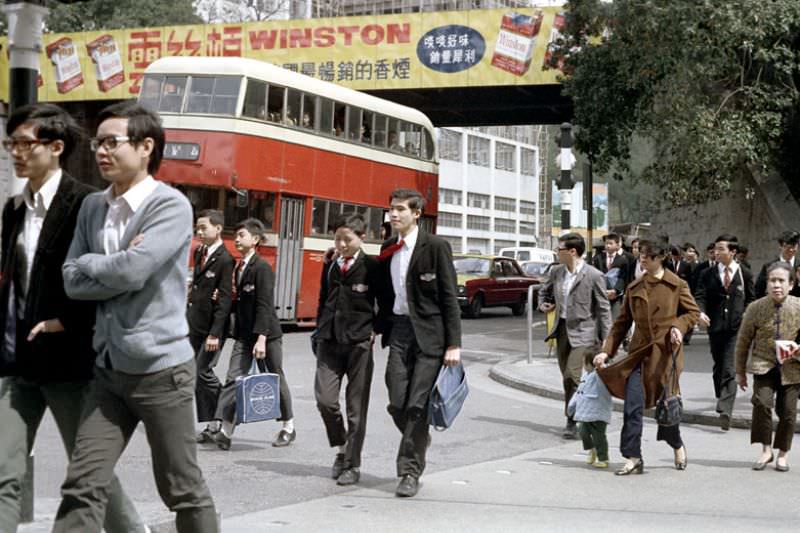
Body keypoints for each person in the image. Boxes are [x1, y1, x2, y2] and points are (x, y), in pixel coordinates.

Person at [56, 102, 217, 532]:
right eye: (98, 143)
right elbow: (71, 280)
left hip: (161, 372)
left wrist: (99, 264)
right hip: (108, 371)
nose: (101, 152)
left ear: (147, 147)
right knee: (82, 483)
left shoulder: (171, 206)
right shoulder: (93, 207)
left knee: (181, 489)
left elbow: (132, 271)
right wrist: (110, 264)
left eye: (112, 142)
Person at [0, 104, 146, 533]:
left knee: (88, 471)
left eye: (26, 143)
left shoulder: (86, 203)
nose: (16, 153)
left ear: (56, 147)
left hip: (70, 364)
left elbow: (107, 275)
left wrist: (63, 322)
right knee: (4, 470)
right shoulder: (13, 209)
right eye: (12, 144)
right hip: (18, 362)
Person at [374, 188, 461, 498]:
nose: (393, 215)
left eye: (399, 209)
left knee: (416, 406)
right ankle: (419, 438)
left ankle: (409, 471)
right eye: (391, 209)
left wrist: (454, 344)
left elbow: (449, 297)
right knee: (397, 401)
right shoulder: (388, 248)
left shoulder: (435, 247)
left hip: (431, 337)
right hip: (398, 331)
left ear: (416, 214)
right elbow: (383, 294)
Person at [594, 240, 700, 476]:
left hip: (666, 356)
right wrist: (606, 351)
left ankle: (676, 444)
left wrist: (678, 327)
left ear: (660, 257)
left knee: (666, 408)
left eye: (648, 256)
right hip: (639, 355)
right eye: (641, 255)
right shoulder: (634, 287)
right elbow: (621, 324)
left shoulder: (677, 285)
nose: (642, 259)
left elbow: (692, 312)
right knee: (632, 407)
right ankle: (633, 457)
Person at [213, 218, 295, 450]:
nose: (236, 240)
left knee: (275, 377)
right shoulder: (240, 266)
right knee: (233, 378)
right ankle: (225, 430)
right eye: (236, 236)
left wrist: (261, 338)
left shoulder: (262, 268)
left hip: (266, 335)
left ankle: (289, 426)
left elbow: (264, 305)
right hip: (244, 334)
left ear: (255, 239)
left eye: (241, 235)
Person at [314, 214, 380, 486]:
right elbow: (322, 299)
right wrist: (318, 331)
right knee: (325, 400)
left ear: (361, 238)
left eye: (347, 239)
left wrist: (375, 330)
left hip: (359, 345)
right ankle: (340, 446)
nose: (341, 244)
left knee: (356, 409)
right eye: (337, 238)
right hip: (329, 342)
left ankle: (351, 464)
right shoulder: (330, 265)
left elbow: (384, 302)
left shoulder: (373, 267)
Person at [539, 233, 611, 439]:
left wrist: (607, 339)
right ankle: (576, 415)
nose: (556, 252)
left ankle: (575, 418)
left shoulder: (594, 275)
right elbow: (544, 292)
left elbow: (604, 308)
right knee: (567, 378)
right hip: (561, 331)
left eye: (559, 249)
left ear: (572, 251)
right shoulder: (557, 272)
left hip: (585, 333)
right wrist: (543, 304)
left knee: (573, 374)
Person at [735, 262, 800, 472]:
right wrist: (739, 372)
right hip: (763, 365)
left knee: (788, 412)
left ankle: (782, 453)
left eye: (781, 281)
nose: (776, 285)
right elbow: (743, 342)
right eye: (772, 280)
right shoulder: (755, 307)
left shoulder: (799, 307)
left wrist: (796, 350)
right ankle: (765, 450)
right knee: (762, 403)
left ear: (791, 284)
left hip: (792, 368)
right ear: (766, 284)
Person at [695, 234, 755, 430]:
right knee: (719, 364)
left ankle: (725, 409)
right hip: (715, 326)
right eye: (715, 249)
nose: (717, 252)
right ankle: (722, 397)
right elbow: (700, 295)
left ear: (733, 252)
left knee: (730, 367)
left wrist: (747, 313)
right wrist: (701, 312)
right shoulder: (707, 273)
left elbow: (751, 298)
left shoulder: (744, 273)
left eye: (721, 249)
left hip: (736, 328)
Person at [188, 209, 234, 444]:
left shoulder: (226, 260)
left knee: (202, 371)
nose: (199, 231)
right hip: (194, 325)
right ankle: (211, 424)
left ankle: (226, 410)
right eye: (197, 227)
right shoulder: (200, 252)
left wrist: (215, 333)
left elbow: (225, 300)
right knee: (196, 375)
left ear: (218, 228)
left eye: (203, 227)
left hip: (211, 330)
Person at [567, 369, 612, 469]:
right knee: (582, 431)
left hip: (598, 412)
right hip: (586, 412)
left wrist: (602, 365)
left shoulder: (600, 375)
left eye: (585, 362)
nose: (583, 365)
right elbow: (579, 391)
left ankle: (603, 459)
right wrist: (571, 406)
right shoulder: (585, 375)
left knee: (599, 437)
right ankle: (592, 449)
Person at [592, 233, 629, 320]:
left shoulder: (622, 260)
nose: (608, 246)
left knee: (614, 319)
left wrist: (615, 291)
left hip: (615, 296)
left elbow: (623, 277)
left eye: (610, 243)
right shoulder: (598, 258)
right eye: (606, 243)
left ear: (617, 245)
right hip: (601, 293)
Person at [755, 230, 800, 298]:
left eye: (793, 246)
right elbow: (758, 291)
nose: (790, 250)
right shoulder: (768, 266)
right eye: (787, 246)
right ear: (780, 246)